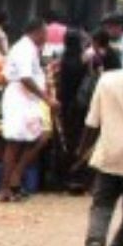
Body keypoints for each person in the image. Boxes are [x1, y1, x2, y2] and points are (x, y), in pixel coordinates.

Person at [76, 35, 123, 246]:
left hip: (110, 153)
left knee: (102, 205)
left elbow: (92, 122)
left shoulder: (108, 80)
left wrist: (82, 151)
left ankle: (95, 241)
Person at [0, 18, 56, 202]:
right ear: (38, 32)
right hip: (20, 98)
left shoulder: (31, 48)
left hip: (27, 99)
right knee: (15, 142)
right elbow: (25, 77)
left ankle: (15, 177)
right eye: (45, 33)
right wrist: (46, 98)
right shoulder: (24, 48)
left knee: (39, 136)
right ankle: (6, 187)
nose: (47, 37)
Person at [56, 29, 91, 193]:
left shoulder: (63, 60)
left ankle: (64, 177)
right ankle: (77, 176)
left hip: (65, 104)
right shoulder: (82, 62)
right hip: (79, 106)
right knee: (79, 140)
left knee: (66, 141)